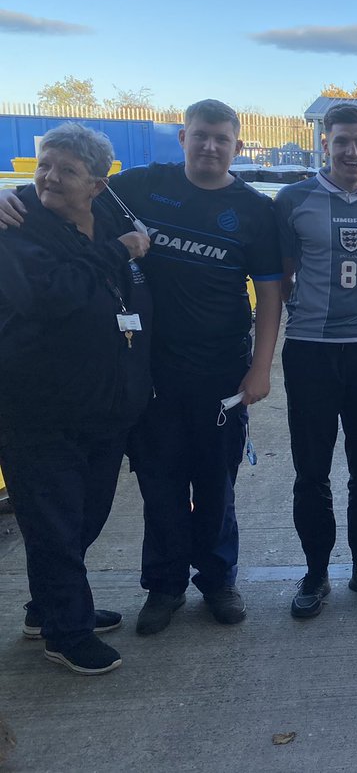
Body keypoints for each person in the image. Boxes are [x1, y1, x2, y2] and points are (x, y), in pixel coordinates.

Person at [0, 99, 285, 632]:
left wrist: (262, 367)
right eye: (200, 135)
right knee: (160, 481)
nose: (209, 147)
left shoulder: (253, 210)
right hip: (149, 371)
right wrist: (5, 198)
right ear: (182, 137)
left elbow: (270, 294)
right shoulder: (137, 188)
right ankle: (165, 585)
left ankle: (219, 581)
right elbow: (61, 192)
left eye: (221, 139)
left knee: (217, 482)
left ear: (237, 147)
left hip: (222, 371)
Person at [0, 124, 152, 674]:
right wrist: (116, 252)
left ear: (96, 183)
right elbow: (47, 293)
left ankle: (47, 608)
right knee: (55, 525)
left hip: (105, 408)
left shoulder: (111, 217)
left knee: (86, 517)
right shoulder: (17, 226)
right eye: (45, 164)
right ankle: (67, 632)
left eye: (67, 169)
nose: (50, 177)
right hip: (37, 410)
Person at [274, 103, 357, 619]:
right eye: (341, 142)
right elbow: (283, 276)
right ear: (325, 144)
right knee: (311, 471)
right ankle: (315, 572)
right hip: (311, 352)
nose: (351, 152)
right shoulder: (292, 200)